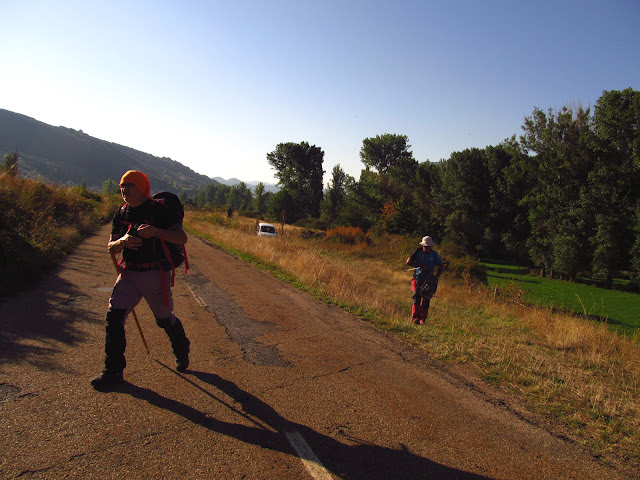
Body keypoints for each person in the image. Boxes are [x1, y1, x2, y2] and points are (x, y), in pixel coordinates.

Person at [91, 170, 190, 390]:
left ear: (142, 187)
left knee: (163, 319)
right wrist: (123, 241)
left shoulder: (159, 211)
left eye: (129, 185)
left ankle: (181, 347)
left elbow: (181, 238)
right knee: (114, 317)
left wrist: (156, 232)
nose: (123, 189)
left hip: (156, 274)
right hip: (129, 273)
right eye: (122, 186)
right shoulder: (121, 212)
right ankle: (113, 372)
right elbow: (111, 247)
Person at [406, 235, 444, 324]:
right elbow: (408, 262)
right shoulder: (418, 252)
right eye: (425, 246)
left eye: (428, 246)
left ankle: (423, 318)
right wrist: (420, 265)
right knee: (417, 297)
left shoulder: (434, 254)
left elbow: (441, 265)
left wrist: (436, 277)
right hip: (417, 278)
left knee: (426, 298)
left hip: (429, 279)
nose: (427, 248)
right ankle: (415, 317)